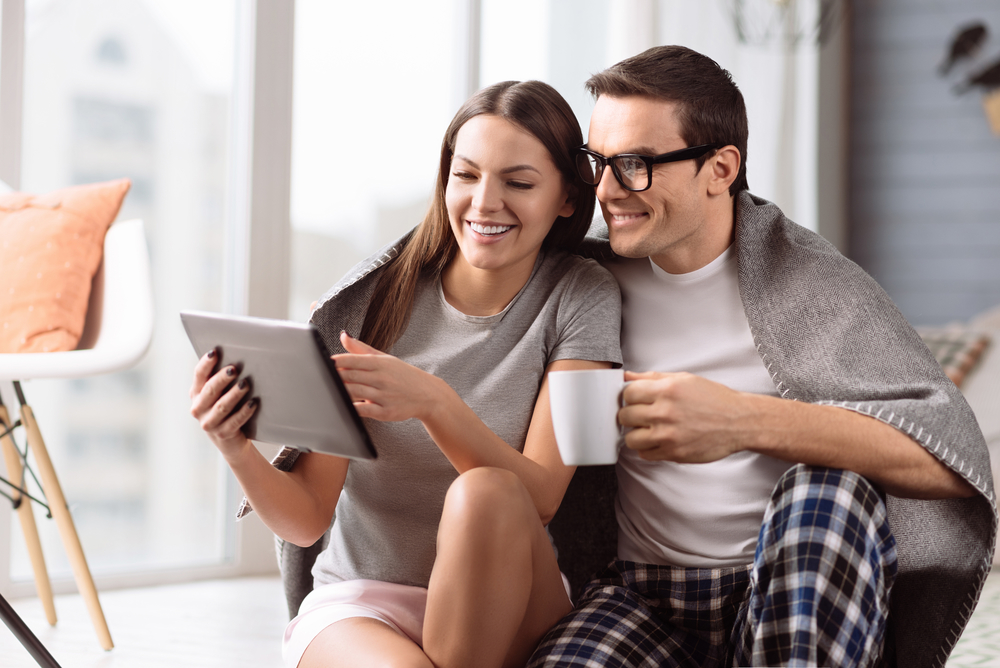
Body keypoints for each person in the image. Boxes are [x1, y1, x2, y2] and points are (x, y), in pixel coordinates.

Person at [529, 46, 996, 668]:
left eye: (636, 163)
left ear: (720, 169)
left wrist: (739, 421)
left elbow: (949, 460)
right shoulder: (581, 283)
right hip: (641, 594)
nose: (608, 190)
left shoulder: (813, 282)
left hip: (789, 591)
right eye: (598, 162)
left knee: (827, 488)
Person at [188, 80, 622, 668]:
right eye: (465, 176)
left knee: (489, 490)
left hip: (512, 596)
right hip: (364, 604)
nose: (484, 203)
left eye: (518, 183)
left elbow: (541, 497)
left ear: (568, 199)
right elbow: (309, 516)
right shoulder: (373, 302)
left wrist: (435, 403)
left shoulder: (585, 296)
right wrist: (235, 448)